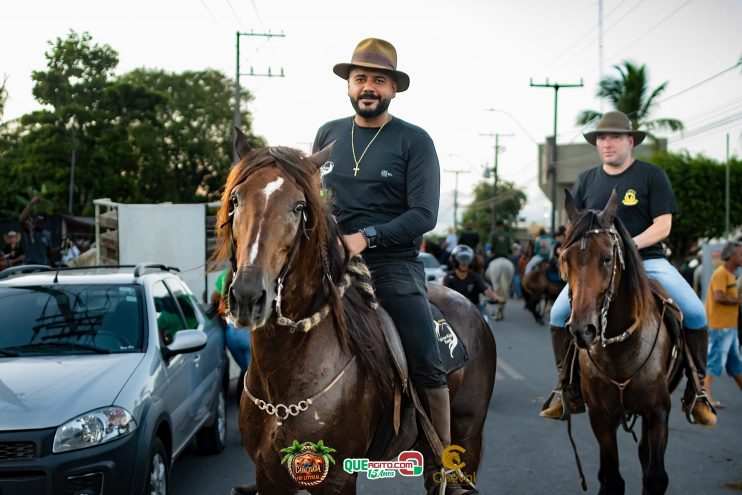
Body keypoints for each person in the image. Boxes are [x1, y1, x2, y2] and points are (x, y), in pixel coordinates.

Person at [313, 38, 465, 494]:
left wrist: (367, 237)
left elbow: (424, 215)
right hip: (327, 262)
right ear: (348, 85)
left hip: (391, 266)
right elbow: (314, 200)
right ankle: (274, 456)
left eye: (379, 79)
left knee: (423, 355)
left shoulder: (415, 140)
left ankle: (443, 464)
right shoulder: (327, 133)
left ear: (394, 89)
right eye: (360, 78)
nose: (368, 87)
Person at [541, 111, 716, 427]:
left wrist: (627, 246)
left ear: (630, 141)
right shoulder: (586, 180)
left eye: (615, 137)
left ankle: (697, 392)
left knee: (695, 313)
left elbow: (663, 226)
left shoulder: (651, 176)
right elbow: (576, 226)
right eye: (601, 138)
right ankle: (566, 389)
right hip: (598, 268)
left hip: (648, 261)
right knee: (557, 316)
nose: (607, 144)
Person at [703, 241, 742, 407]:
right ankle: (704, 396)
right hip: (721, 327)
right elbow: (719, 296)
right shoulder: (722, 273)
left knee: (735, 364)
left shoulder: (730, 274)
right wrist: (738, 300)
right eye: (740, 254)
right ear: (732, 256)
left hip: (729, 327)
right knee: (715, 361)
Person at [444, 245, 505, 313]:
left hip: (473, 310)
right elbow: (443, 294)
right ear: (455, 260)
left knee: (486, 320)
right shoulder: (449, 277)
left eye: (467, 259)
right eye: (461, 259)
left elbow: (486, 290)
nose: (464, 263)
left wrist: (496, 297)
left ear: (471, 261)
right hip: (454, 310)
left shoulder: (474, 276)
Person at [18, 196, 56, 266]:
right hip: (29, 267)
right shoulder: (30, 230)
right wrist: (31, 204)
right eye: (37, 221)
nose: (38, 224)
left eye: (41, 222)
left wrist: (62, 247)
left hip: (43, 267)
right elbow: (21, 220)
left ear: (45, 223)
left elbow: (49, 252)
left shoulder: (47, 234)